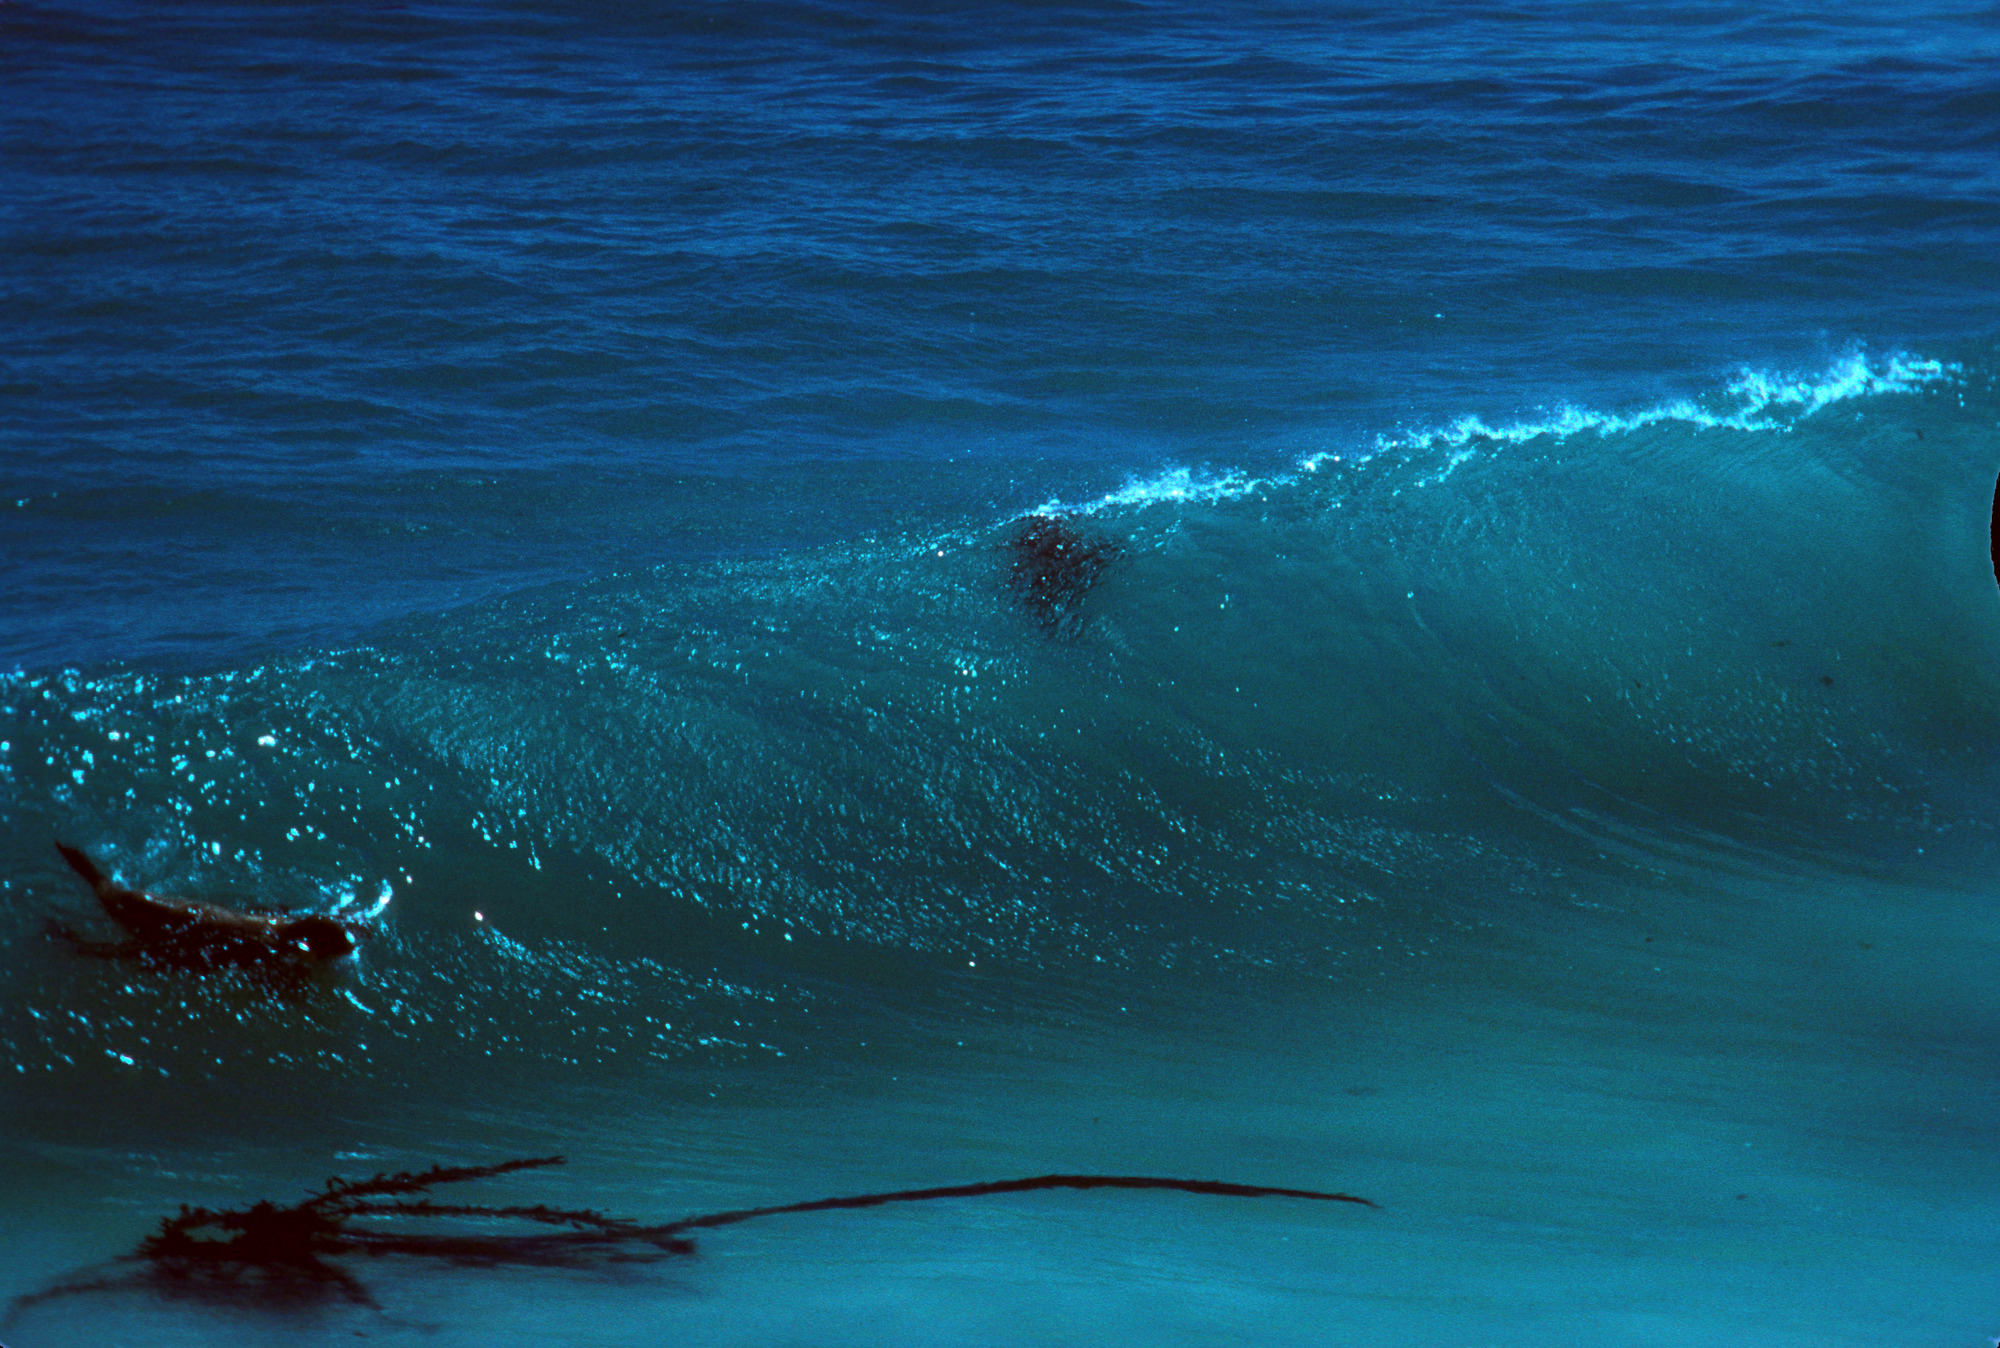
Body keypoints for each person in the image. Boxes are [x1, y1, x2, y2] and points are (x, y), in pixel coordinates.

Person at [49, 842, 358, 979]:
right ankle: (73, 943)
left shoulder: (281, 921)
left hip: (186, 911)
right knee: (126, 923)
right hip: (174, 925)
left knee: (117, 895)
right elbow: (185, 955)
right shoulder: (262, 950)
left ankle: (90, 877)